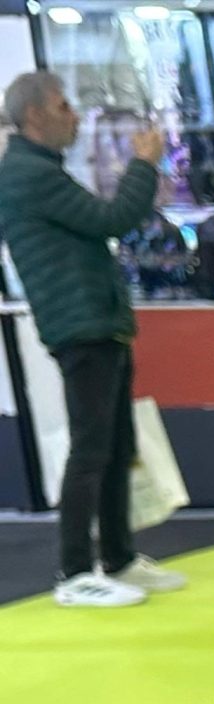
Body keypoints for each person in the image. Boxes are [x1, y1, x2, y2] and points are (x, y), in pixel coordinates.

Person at [0, 70, 187, 608]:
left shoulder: (38, 170)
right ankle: (76, 570)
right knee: (91, 448)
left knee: (114, 446)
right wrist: (144, 164)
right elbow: (113, 218)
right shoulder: (29, 174)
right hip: (81, 326)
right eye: (63, 106)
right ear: (34, 115)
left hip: (96, 322)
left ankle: (118, 556)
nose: (75, 117)